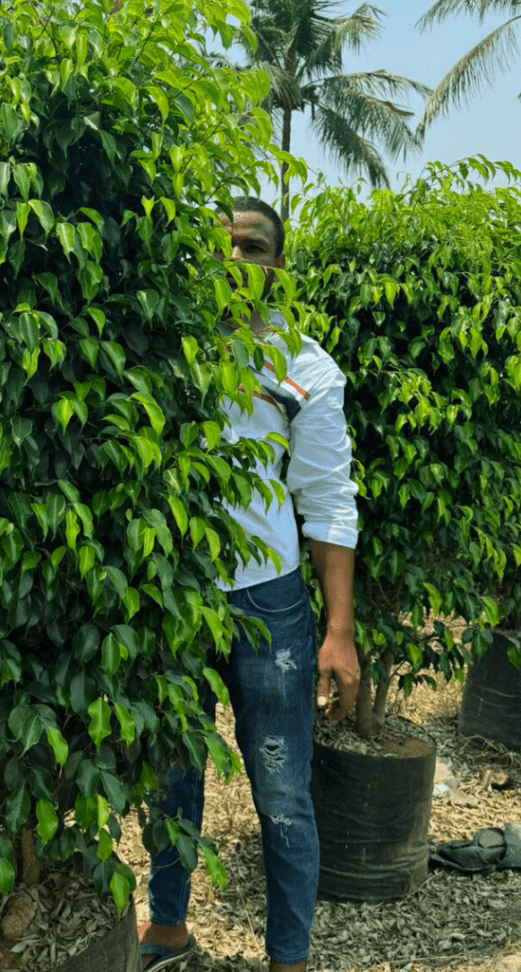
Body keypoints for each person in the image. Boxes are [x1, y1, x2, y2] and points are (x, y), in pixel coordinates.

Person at [138, 197, 361, 972]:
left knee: (283, 795)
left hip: (268, 605)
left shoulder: (304, 367)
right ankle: (166, 930)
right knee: (170, 776)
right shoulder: (168, 353)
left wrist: (338, 632)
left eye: (254, 249)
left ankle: (289, 958)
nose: (235, 263)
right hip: (176, 598)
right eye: (222, 249)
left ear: (279, 267)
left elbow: (328, 500)